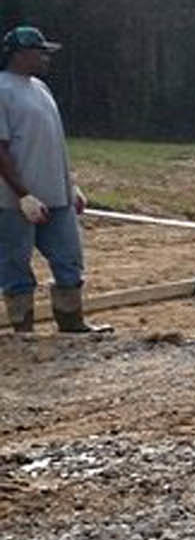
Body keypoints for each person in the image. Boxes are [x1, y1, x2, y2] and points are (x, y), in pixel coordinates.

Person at [2, 25, 107, 334]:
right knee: (15, 265)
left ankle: (72, 322)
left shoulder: (41, 89)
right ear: (20, 54)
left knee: (69, 259)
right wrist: (22, 195)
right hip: (13, 202)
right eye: (40, 51)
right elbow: (1, 149)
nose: (46, 58)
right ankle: (24, 331)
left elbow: (53, 143)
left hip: (56, 195)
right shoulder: (2, 90)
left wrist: (69, 184)